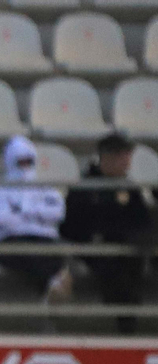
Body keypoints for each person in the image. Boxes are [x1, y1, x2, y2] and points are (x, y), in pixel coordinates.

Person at [62, 132, 154, 335]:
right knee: (117, 274)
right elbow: (71, 227)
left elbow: (143, 221)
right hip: (97, 251)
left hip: (129, 250)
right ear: (109, 157)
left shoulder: (129, 188)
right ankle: (125, 327)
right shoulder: (85, 188)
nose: (127, 162)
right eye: (123, 156)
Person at [0, 135, 72, 304]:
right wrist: (39, 217)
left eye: (28, 161)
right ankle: (53, 285)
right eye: (20, 162)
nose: (25, 167)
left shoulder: (46, 188)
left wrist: (24, 212)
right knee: (28, 253)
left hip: (45, 240)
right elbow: (1, 220)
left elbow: (58, 212)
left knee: (56, 250)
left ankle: (48, 295)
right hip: (10, 241)